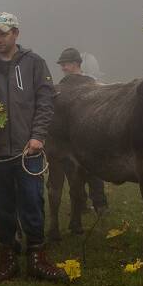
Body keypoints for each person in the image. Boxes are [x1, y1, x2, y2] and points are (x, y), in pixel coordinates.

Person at [0, 12, 64, 282]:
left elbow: (46, 102)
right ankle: (8, 257)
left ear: (16, 34)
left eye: (3, 33)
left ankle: (37, 257)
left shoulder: (35, 63)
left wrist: (38, 136)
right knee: (2, 205)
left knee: (32, 202)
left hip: (29, 150)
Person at [54, 47, 108, 216]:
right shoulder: (59, 88)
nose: (63, 67)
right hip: (69, 139)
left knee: (93, 172)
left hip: (90, 136)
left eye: (66, 64)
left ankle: (100, 205)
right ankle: (82, 205)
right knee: (73, 174)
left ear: (77, 64)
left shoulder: (93, 84)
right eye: (62, 64)